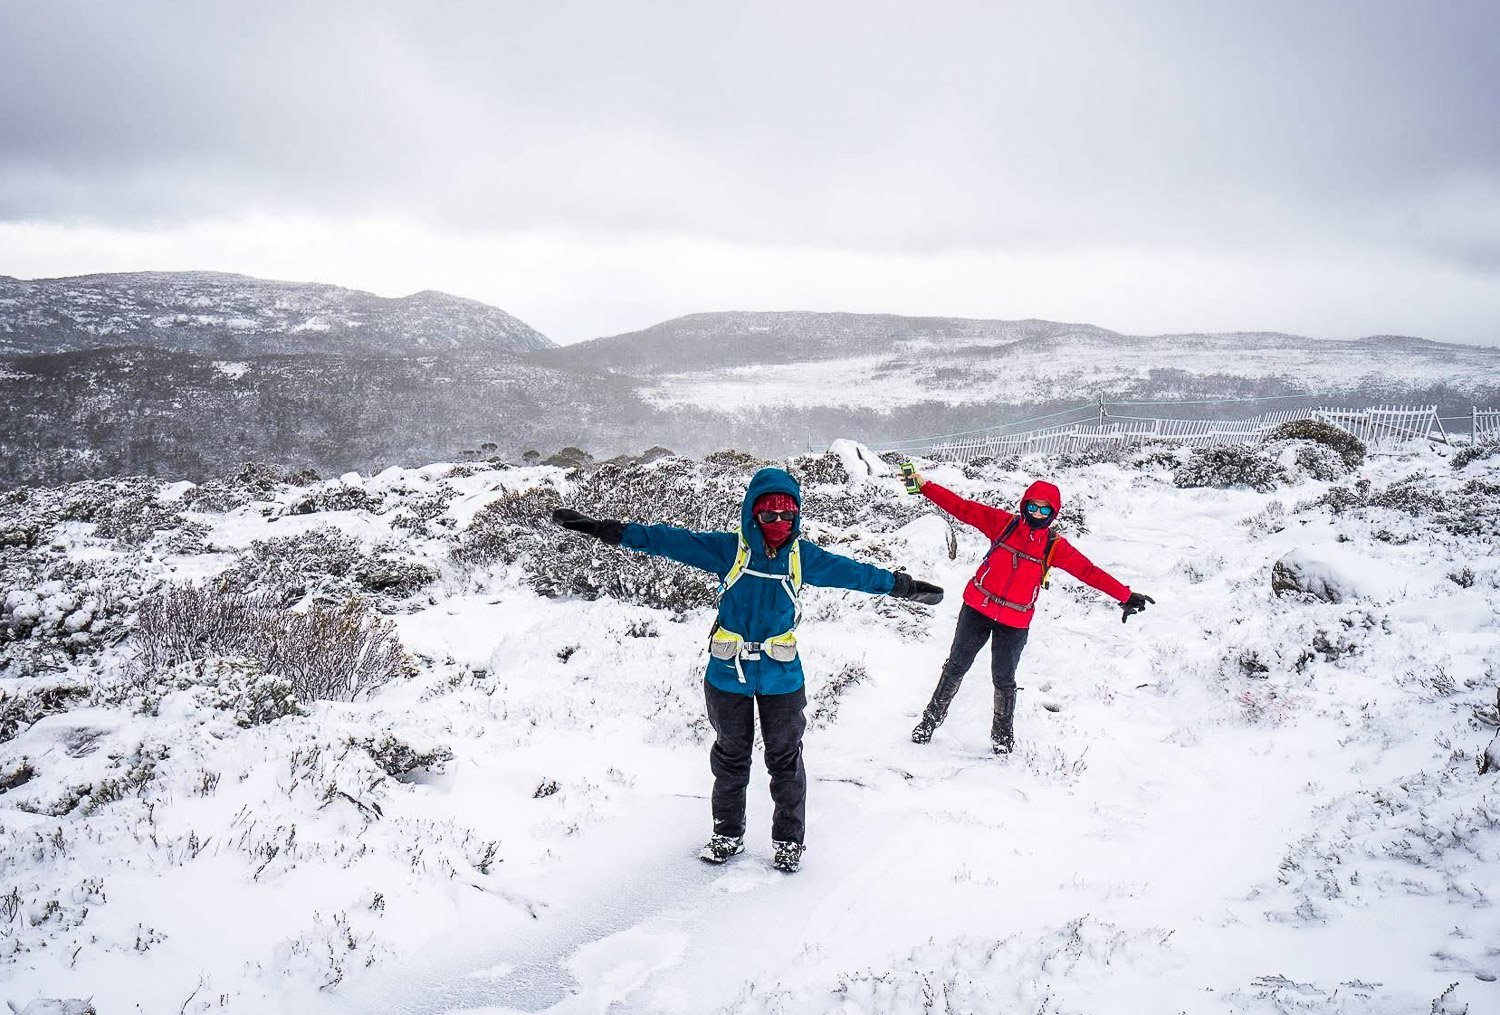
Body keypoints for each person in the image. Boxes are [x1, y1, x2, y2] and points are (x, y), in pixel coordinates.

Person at [552, 466, 943, 873]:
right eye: (769, 514)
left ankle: (789, 842)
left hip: (782, 677)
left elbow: (856, 574)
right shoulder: (729, 550)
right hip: (727, 676)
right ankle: (727, 834)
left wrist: (905, 587)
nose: (778, 522)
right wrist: (606, 530)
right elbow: (666, 540)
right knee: (731, 758)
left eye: (786, 514)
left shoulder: (802, 557)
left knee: (785, 759)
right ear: (752, 513)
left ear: (797, 515)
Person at [905, 467, 1152, 754]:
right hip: (977, 607)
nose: (1036, 512)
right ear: (1024, 505)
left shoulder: (1054, 546)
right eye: (1031, 506)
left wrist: (1124, 594)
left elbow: (1088, 571)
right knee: (956, 666)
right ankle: (929, 721)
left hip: (1015, 620)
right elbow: (961, 507)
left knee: (1004, 678)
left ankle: (1002, 738)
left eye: (1043, 508)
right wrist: (923, 486)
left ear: (1053, 512)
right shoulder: (1003, 524)